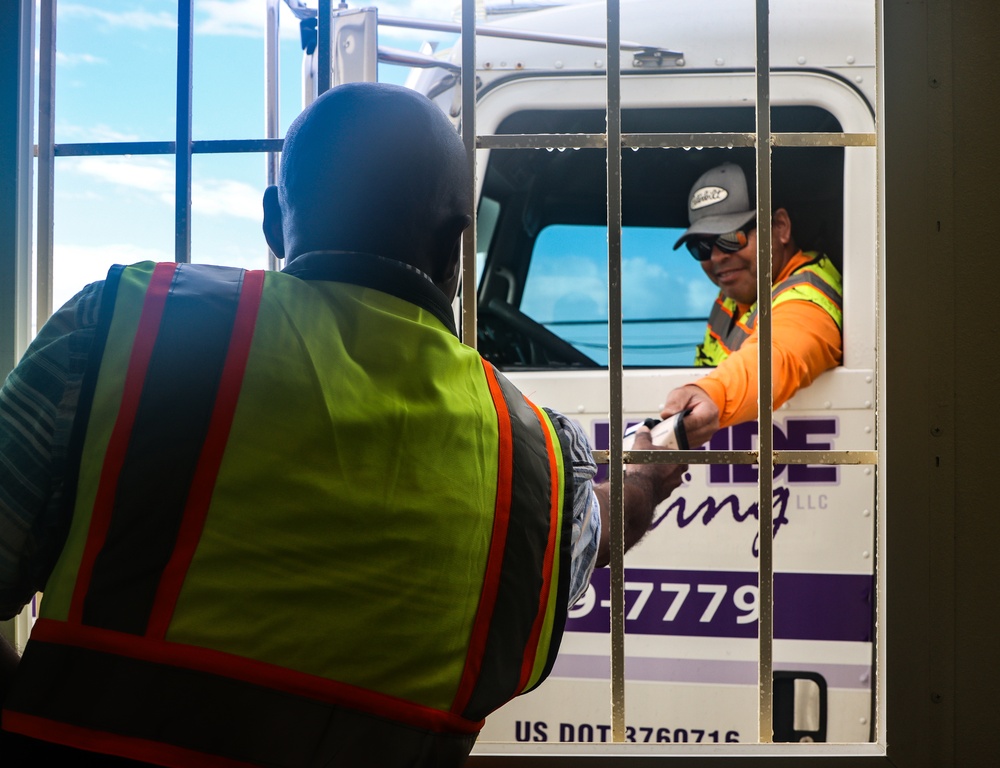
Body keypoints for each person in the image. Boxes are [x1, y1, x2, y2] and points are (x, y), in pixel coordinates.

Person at [0, 83, 685, 767]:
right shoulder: (533, 460)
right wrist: (649, 476)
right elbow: (595, 527)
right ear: (457, 244)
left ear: (274, 220)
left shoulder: (127, 329)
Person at [660, 162, 843, 446]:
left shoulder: (807, 296)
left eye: (731, 238)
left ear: (780, 227)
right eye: (702, 247)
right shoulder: (736, 295)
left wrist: (711, 394)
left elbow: (777, 354)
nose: (717, 257)